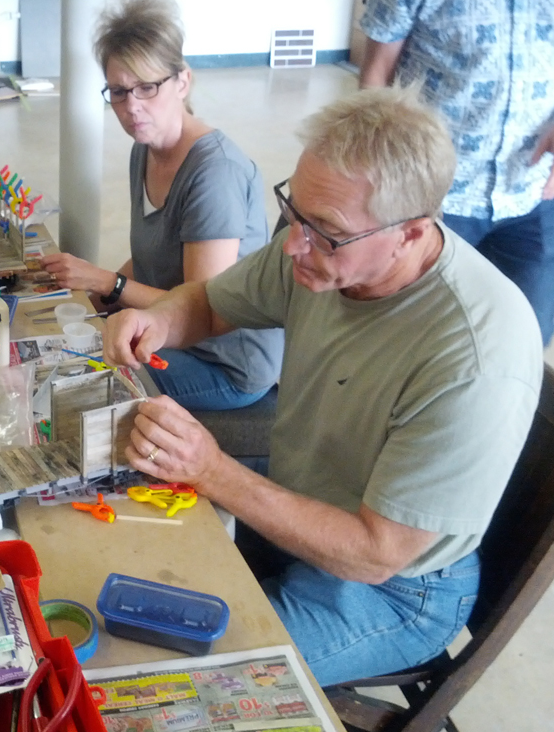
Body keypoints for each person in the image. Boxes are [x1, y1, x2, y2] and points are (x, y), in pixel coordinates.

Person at [102, 87, 543, 686]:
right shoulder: (315, 248)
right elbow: (209, 303)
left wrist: (211, 471)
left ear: (411, 234)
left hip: (397, 589)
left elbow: (376, 552)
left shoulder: (473, 352)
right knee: (117, 596)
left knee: (176, 683)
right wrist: (158, 320)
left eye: (326, 231)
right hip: (295, 510)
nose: (292, 246)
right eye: (294, 211)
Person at [42, 0, 282, 411]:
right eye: (118, 91)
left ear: (182, 82)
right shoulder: (146, 148)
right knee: (55, 353)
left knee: (67, 386)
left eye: (147, 87)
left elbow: (206, 309)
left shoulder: (215, 172)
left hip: (224, 364)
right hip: (166, 333)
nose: (132, 106)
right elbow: (153, 255)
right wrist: (86, 304)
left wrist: (108, 284)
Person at [359, 0, 554, 345]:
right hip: (437, 197)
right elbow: (376, 74)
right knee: (415, 339)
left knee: (524, 340)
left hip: (532, 191)